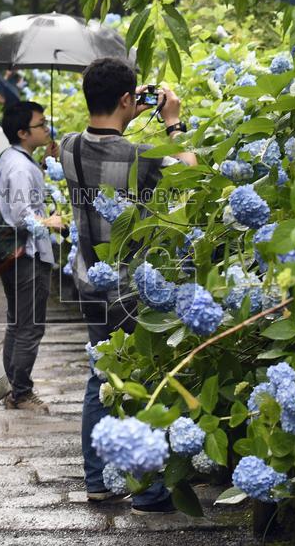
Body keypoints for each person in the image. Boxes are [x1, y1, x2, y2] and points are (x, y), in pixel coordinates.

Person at [58, 57, 196, 515]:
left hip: (89, 280)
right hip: (133, 288)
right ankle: (149, 491)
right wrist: (172, 123)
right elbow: (194, 172)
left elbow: (102, 144)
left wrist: (124, 114)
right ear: (125, 98)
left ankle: (98, 481)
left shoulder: (68, 147)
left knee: (102, 376)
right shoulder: (139, 158)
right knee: (143, 381)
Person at [0, 101, 64, 413]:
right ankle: (20, 393)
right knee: (29, 326)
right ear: (23, 132)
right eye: (41, 124)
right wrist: (50, 222)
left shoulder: (14, 159)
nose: (47, 128)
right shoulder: (21, 166)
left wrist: (46, 164)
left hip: (18, 255)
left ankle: (11, 388)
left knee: (17, 322)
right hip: (28, 256)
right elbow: (22, 215)